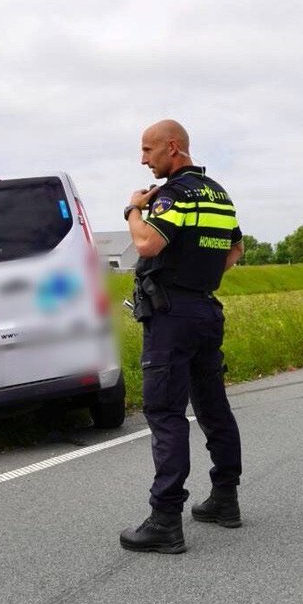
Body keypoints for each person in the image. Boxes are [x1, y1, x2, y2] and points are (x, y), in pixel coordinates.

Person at [120, 119, 244, 554]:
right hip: (205, 310)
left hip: (171, 316)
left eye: (148, 150)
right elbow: (235, 249)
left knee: (166, 413)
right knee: (213, 406)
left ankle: (165, 520)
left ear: (172, 147)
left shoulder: (173, 194)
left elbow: (148, 245)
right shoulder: (219, 194)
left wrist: (133, 209)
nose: (143, 159)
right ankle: (225, 500)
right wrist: (200, 273)